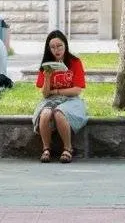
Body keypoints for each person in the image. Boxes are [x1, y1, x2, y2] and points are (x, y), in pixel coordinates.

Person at [33, 30, 88, 164]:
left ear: (65, 46)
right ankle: (46, 149)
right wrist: (47, 78)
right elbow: (45, 94)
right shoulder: (46, 65)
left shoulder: (75, 62)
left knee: (59, 113)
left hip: (71, 100)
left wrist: (56, 91)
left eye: (59, 46)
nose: (56, 50)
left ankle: (68, 148)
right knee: (45, 113)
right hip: (50, 99)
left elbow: (77, 90)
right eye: (52, 47)